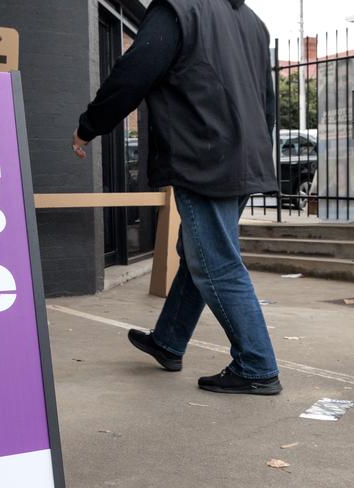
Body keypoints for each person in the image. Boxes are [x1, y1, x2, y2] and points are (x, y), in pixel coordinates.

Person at [72, 0, 282, 395]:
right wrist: (250, 152)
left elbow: (133, 73)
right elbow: (265, 100)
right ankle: (169, 340)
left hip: (204, 155)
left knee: (215, 261)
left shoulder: (178, 9)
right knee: (198, 250)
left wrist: (89, 126)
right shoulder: (253, 22)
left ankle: (257, 365)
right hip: (242, 156)